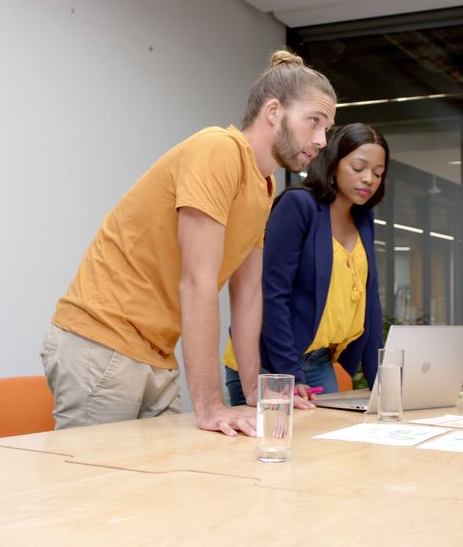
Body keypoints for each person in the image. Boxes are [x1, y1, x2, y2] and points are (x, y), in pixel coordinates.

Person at [41, 50, 337, 437]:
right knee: (95, 494)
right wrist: (211, 405)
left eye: (327, 128)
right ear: (273, 111)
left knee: (166, 488)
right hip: (103, 341)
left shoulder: (264, 187)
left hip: (156, 354)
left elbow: (248, 295)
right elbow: (198, 282)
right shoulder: (219, 149)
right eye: (314, 122)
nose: (320, 140)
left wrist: (253, 391)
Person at [222, 123, 388, 407]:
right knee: (276, 447)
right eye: (359, 167)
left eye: (378, 173)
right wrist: (290, 372)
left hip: (320, 361)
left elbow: (369, 303)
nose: (369, 179)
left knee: (330, 448)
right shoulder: (298, 206)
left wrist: (382, 386)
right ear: (334, 163)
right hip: (270, 364)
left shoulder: (364, 219)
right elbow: (273, 294)